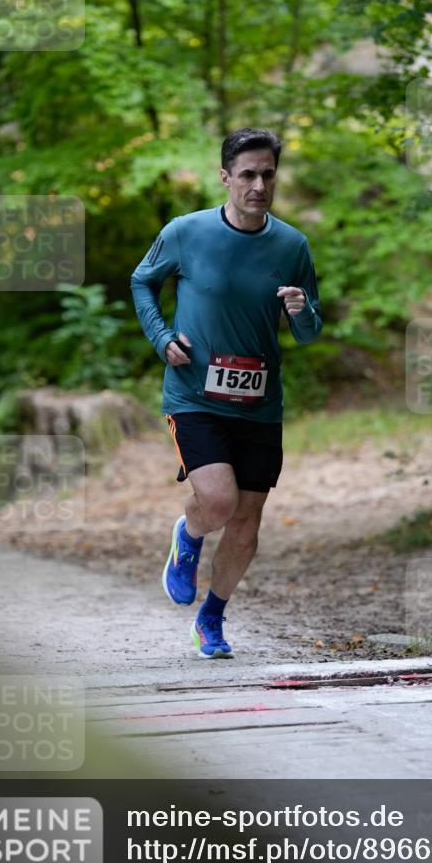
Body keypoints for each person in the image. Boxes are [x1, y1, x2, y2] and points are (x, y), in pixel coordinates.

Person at [131, 127, 322, 659]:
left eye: (267, 175)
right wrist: (161, 337)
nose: (258, 185)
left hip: (260, 403)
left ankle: (211, 619)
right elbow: (142, 281)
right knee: (217, 501)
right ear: (225, 178)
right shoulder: (186, 233)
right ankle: (188, 535)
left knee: (246, 522)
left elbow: (309, 332)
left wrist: (301, 312)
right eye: (247, 175)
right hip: (195, 395)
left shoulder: (292, 245)